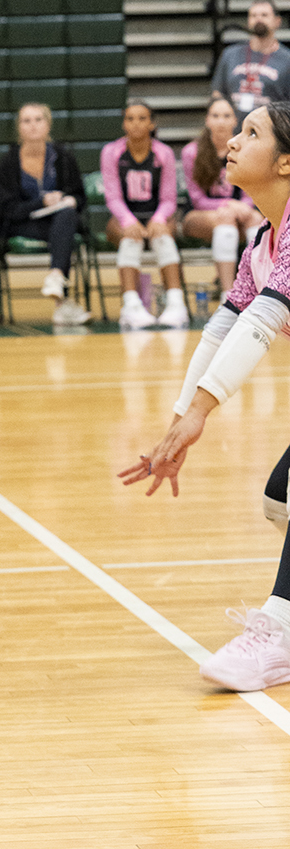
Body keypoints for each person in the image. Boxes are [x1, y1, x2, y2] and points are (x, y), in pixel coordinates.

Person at [119, 101, 290, 692]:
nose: (233, 141)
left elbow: (262, 323)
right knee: (280, 501)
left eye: (252, 133)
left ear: (286, 162)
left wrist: (199, 414)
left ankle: (280, 632)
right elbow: (223, 329)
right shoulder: (263, 243)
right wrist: (178, 423)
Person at [0, 104, 88, 325]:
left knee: (67, 216)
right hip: (22, 224)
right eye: (26, 121)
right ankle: (62, 303)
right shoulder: (7, 163)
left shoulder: (63, 157)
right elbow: (8, 209)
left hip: (58, 220)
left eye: (38, 120)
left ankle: (56, 277)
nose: (33, 125)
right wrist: (41, 202)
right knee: (64, 230)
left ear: (48, 124)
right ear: (19, 127)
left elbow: (80, 196)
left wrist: (71, 200)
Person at [101, 102, 187, 330]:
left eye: (142, 118)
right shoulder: (111, 152)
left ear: (152, 123)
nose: (136, 124)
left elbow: (169, 198)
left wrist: (158, 220)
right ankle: (131, 306)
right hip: (125, 216)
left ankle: (176, 304)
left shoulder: (164, 153)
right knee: (131, 238)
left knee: (164, 237)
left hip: (156, 214)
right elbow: (113, 197)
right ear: (124, 124)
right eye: (130, 118)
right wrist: (129, 222)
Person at [181, 94, 263, 295]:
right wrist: (230, 206)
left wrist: (239, 207)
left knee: (258, 220)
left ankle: (259, 291)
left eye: (226, 116)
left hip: (239, 212)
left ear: (235, 120)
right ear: (207, 120)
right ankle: (229, 295)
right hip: (199, 214)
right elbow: (197, 199)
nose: (221, 121)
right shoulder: (192, 152)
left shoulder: (246, 149)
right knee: (225, 220)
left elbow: (249, 193)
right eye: (215, 116)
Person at [212, 0, 290, 123]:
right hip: (234, 128)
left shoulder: (287, 59)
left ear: (277, 21)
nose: (258, 19)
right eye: (253, 15)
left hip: (270, 128)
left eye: (264, 15)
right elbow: (218, 93)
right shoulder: (230, 54)